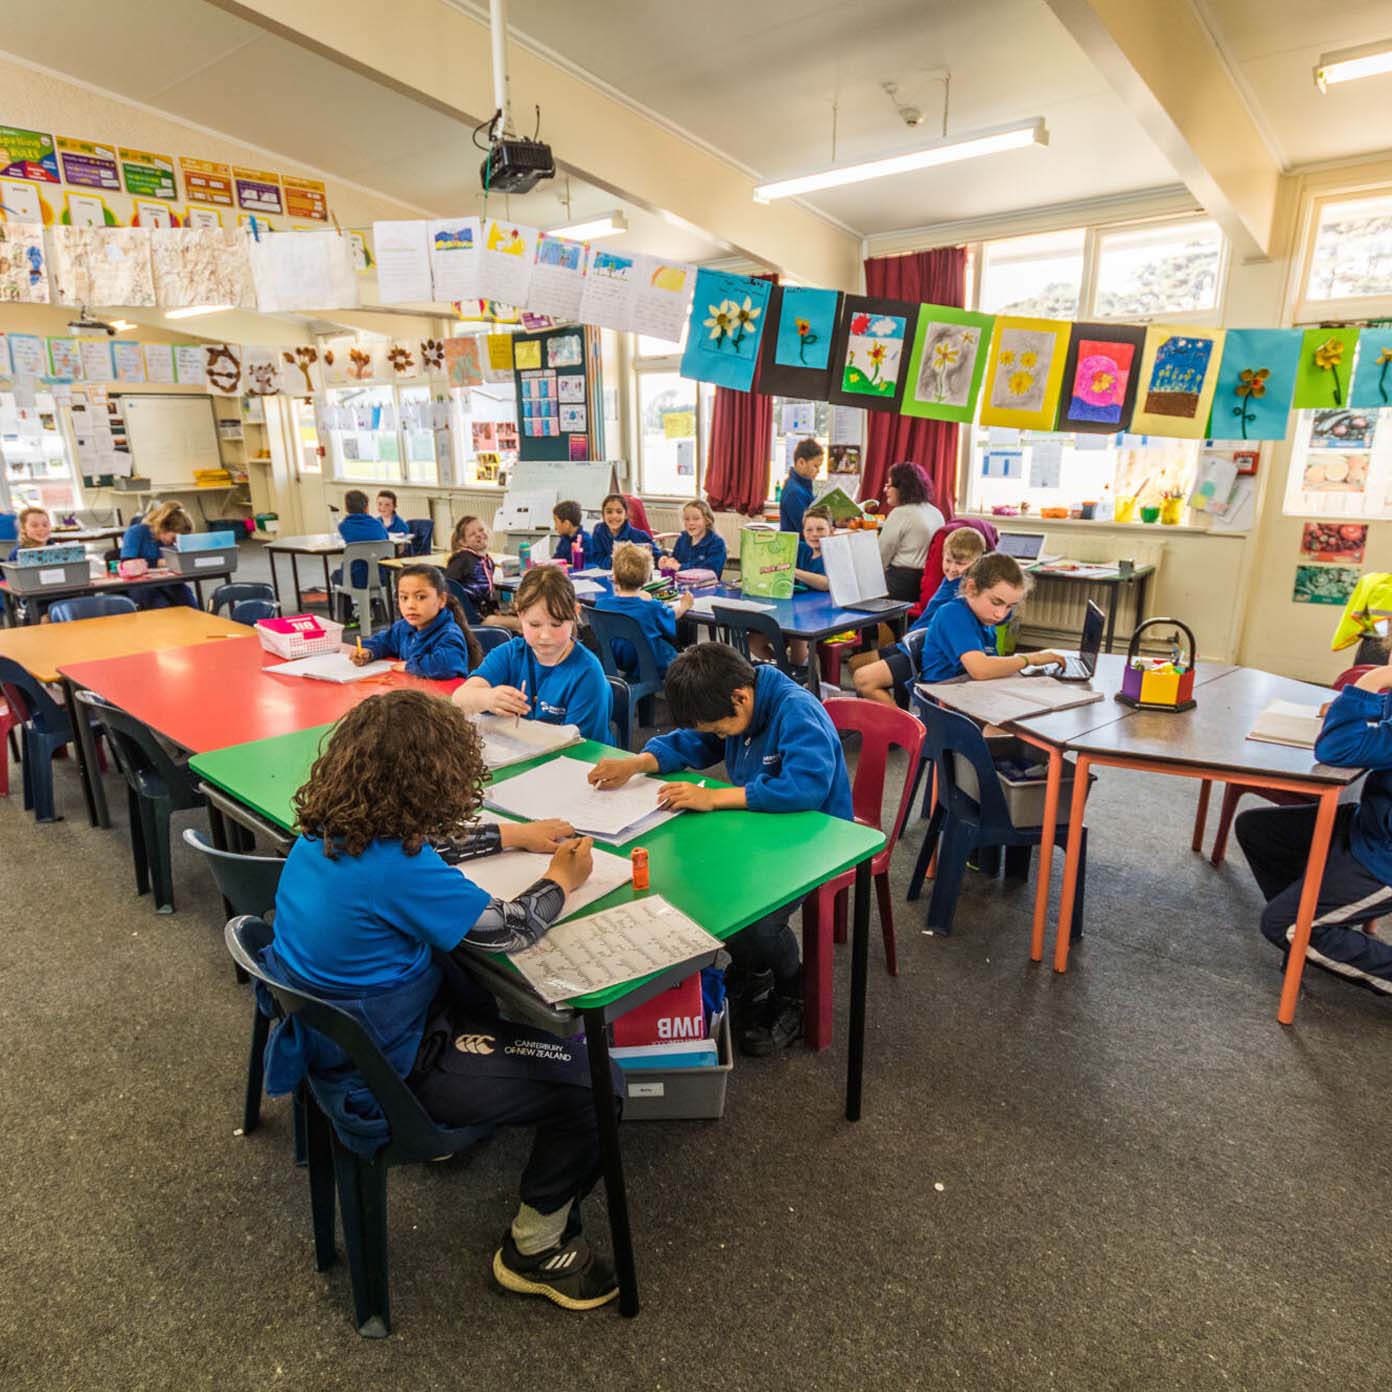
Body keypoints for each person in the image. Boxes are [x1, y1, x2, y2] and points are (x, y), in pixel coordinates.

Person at [262, 690, 622, 1310]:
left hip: (341, 1043)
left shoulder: (331, 831)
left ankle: (497, 1107)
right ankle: (533, 1250)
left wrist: (511, 833)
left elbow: (426, 848)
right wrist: (564, 877)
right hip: (389, 1073)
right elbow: (511, 926)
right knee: (599, 1083)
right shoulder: (394, 870)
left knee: (480, 990)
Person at [587, 643, 851, 1055]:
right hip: (760, 829)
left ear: (741, 697)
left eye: (720, 728)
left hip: (817, 838)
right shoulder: (735, 703)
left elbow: (805, 788)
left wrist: (712, 798)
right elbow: (694, 742)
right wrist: (636, 763)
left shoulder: (797, 710)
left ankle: (793, 987)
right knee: (708, 889)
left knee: (760, 922)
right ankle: (754, 968)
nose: (718, 736)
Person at [1235, 664, 1392, 996]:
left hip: (1384, 860)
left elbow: (1338, 749)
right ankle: (1319, 921)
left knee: (1283, 926)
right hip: (1370, 827)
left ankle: (1307, 929)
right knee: (1259, 830)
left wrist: (1372, 681)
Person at [452, 565, 611, 742]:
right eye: (534, 625)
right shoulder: (511, 653)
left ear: (575, 613)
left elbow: (582, 746)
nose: (545, 636)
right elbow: (459, 699)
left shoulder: (586, 672)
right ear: (520, 615)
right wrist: (487, 697)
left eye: (556, 625)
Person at [851, 526, 986, 705]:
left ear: (977, 562)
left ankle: (903, 726)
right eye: (948, 560)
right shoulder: (951, 579)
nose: (952, 568)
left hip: (923, 649)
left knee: (864, 679)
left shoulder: (966, 590)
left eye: (960, 564)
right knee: (855, 663)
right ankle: (885, 712)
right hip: (910, 643)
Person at [914, 552, 1066, 687]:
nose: (1000, 614)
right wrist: (1031, 658)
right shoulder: (952, 613)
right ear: (971, 588)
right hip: (942, 697)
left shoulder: (984, 617)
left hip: (971, 690)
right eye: (996, 602)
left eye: (1010, 606)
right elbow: (980, 670)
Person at [349, 563, 481, 677]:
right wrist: (368, 651)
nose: (410, 605)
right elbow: (384, 641)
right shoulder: (403, 627)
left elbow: (446, 665)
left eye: (421, 597)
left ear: (441, 600)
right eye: (404, 598)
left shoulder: (448, 633)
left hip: (441, 700)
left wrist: (409, 666)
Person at [594, 542, 692, 678]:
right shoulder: (651, 606)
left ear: (614, 577)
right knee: (676, 651)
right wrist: (684, 605)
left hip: (619, 661)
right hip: (651, 662)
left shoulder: (601, 605)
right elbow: (672, 615)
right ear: (646, 579)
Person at [877, 462, 946, 602]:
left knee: (859, 595)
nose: (885, 490)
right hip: (925, 582)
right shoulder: (935, 512)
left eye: (889, 485)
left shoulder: (900, 513)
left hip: (901, 582)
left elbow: (881, 557)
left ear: (902, 488)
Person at [445, 515, 517, 630]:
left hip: (485, 613)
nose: (479, 534)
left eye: (481, 530)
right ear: (463, 542)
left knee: (519, 613)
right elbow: (447, 585)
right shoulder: (462, 559)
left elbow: (487, 594)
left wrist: (495, 610)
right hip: (471, 619)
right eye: (472, 534)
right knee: (521, 623)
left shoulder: (487, 561)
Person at [120, 501, 195, 609]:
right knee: (162, 607)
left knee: (190, 605)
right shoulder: (136, 532)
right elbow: (127, 563)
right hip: (142, 585)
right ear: (162, 528)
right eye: (173, 538)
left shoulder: (169, 541)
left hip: (169, 582)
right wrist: (158, 563)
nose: (175, 544)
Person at [333, 489, 391, 600]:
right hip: (381, 576)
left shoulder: (344, 526)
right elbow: (386, 540)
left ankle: (346, 612)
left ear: (346, 508)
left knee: (336, 575)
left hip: (355, 577)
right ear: (366, 507)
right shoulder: (378, 524)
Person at [589, 494, 658, 569]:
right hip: (605, 575)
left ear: (626, 515)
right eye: (609, 512)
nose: (614, 516)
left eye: (619, 512)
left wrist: (662, 560)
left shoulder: (639, 535)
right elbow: (597, 557)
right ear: (603, 515)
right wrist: (615, 561)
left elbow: (656, 558)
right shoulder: (598, 531)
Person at [659, 499, 727, 576]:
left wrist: (679, 567)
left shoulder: (717, 543)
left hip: (706, 587)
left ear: (707, 520)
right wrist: (666, 563)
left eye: (696, 519)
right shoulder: (682, 537)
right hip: (681, 584)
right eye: (687, 519)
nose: (690, 523)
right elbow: (675, 561)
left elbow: (711, 571)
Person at [779, 438, 822, 534]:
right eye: (815, 466)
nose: (818, 471)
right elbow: (807, 529)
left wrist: (836, 522)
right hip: (799, 547)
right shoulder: (794, 492)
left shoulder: (804, 487)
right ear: (801, 462)